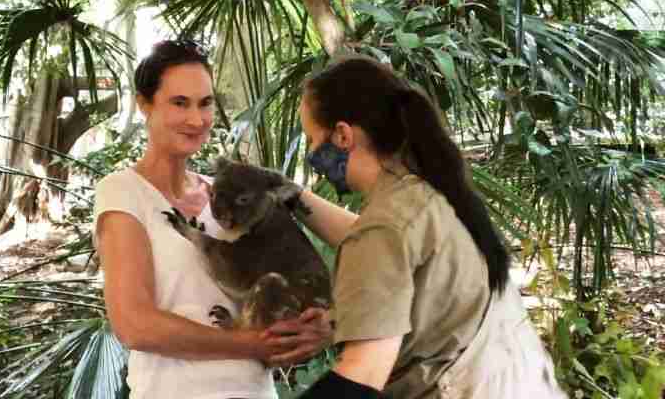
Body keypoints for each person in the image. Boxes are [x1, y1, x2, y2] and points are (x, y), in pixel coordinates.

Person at [266, 56, 569, 398]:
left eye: (311, 139)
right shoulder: (424, 192)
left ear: (342, 136)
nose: (311, 152)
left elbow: (363, 373)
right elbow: (380, 247)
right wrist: (290, 195)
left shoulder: (386, 226)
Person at [92, 39, 331, 399]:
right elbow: (134, 326)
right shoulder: (124, 193)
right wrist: (250, 344)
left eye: (205, 103)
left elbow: (302, 269)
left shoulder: (230, 192)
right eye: (179, 103)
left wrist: (319, 326)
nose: (196, 119)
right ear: (144, 104)